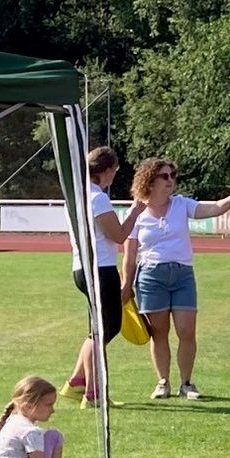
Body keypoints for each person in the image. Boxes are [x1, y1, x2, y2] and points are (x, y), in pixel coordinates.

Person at [119, 158, 230, 400]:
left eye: (172, 175)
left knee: (186, 330)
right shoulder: (136, 212)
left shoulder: (181, 204)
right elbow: (129, 255)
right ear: (150, 180)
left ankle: (186, 383)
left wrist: (229, 202)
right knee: (159, 333)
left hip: (182, 276)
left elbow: (210, 209)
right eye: (164, 176)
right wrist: (126, 284)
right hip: (151, 277)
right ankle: (163, 382)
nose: (170, 180)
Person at [63, 148, 149, 408]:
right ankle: (93, 393)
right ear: (107, 170)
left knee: (98, 329)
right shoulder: (97, 198)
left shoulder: (78, 196)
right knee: (104, 330)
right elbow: (119, 235)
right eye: (115, 171)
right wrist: (135, 212)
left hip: (82, 268)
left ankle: (77, 383)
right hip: (100, 269)